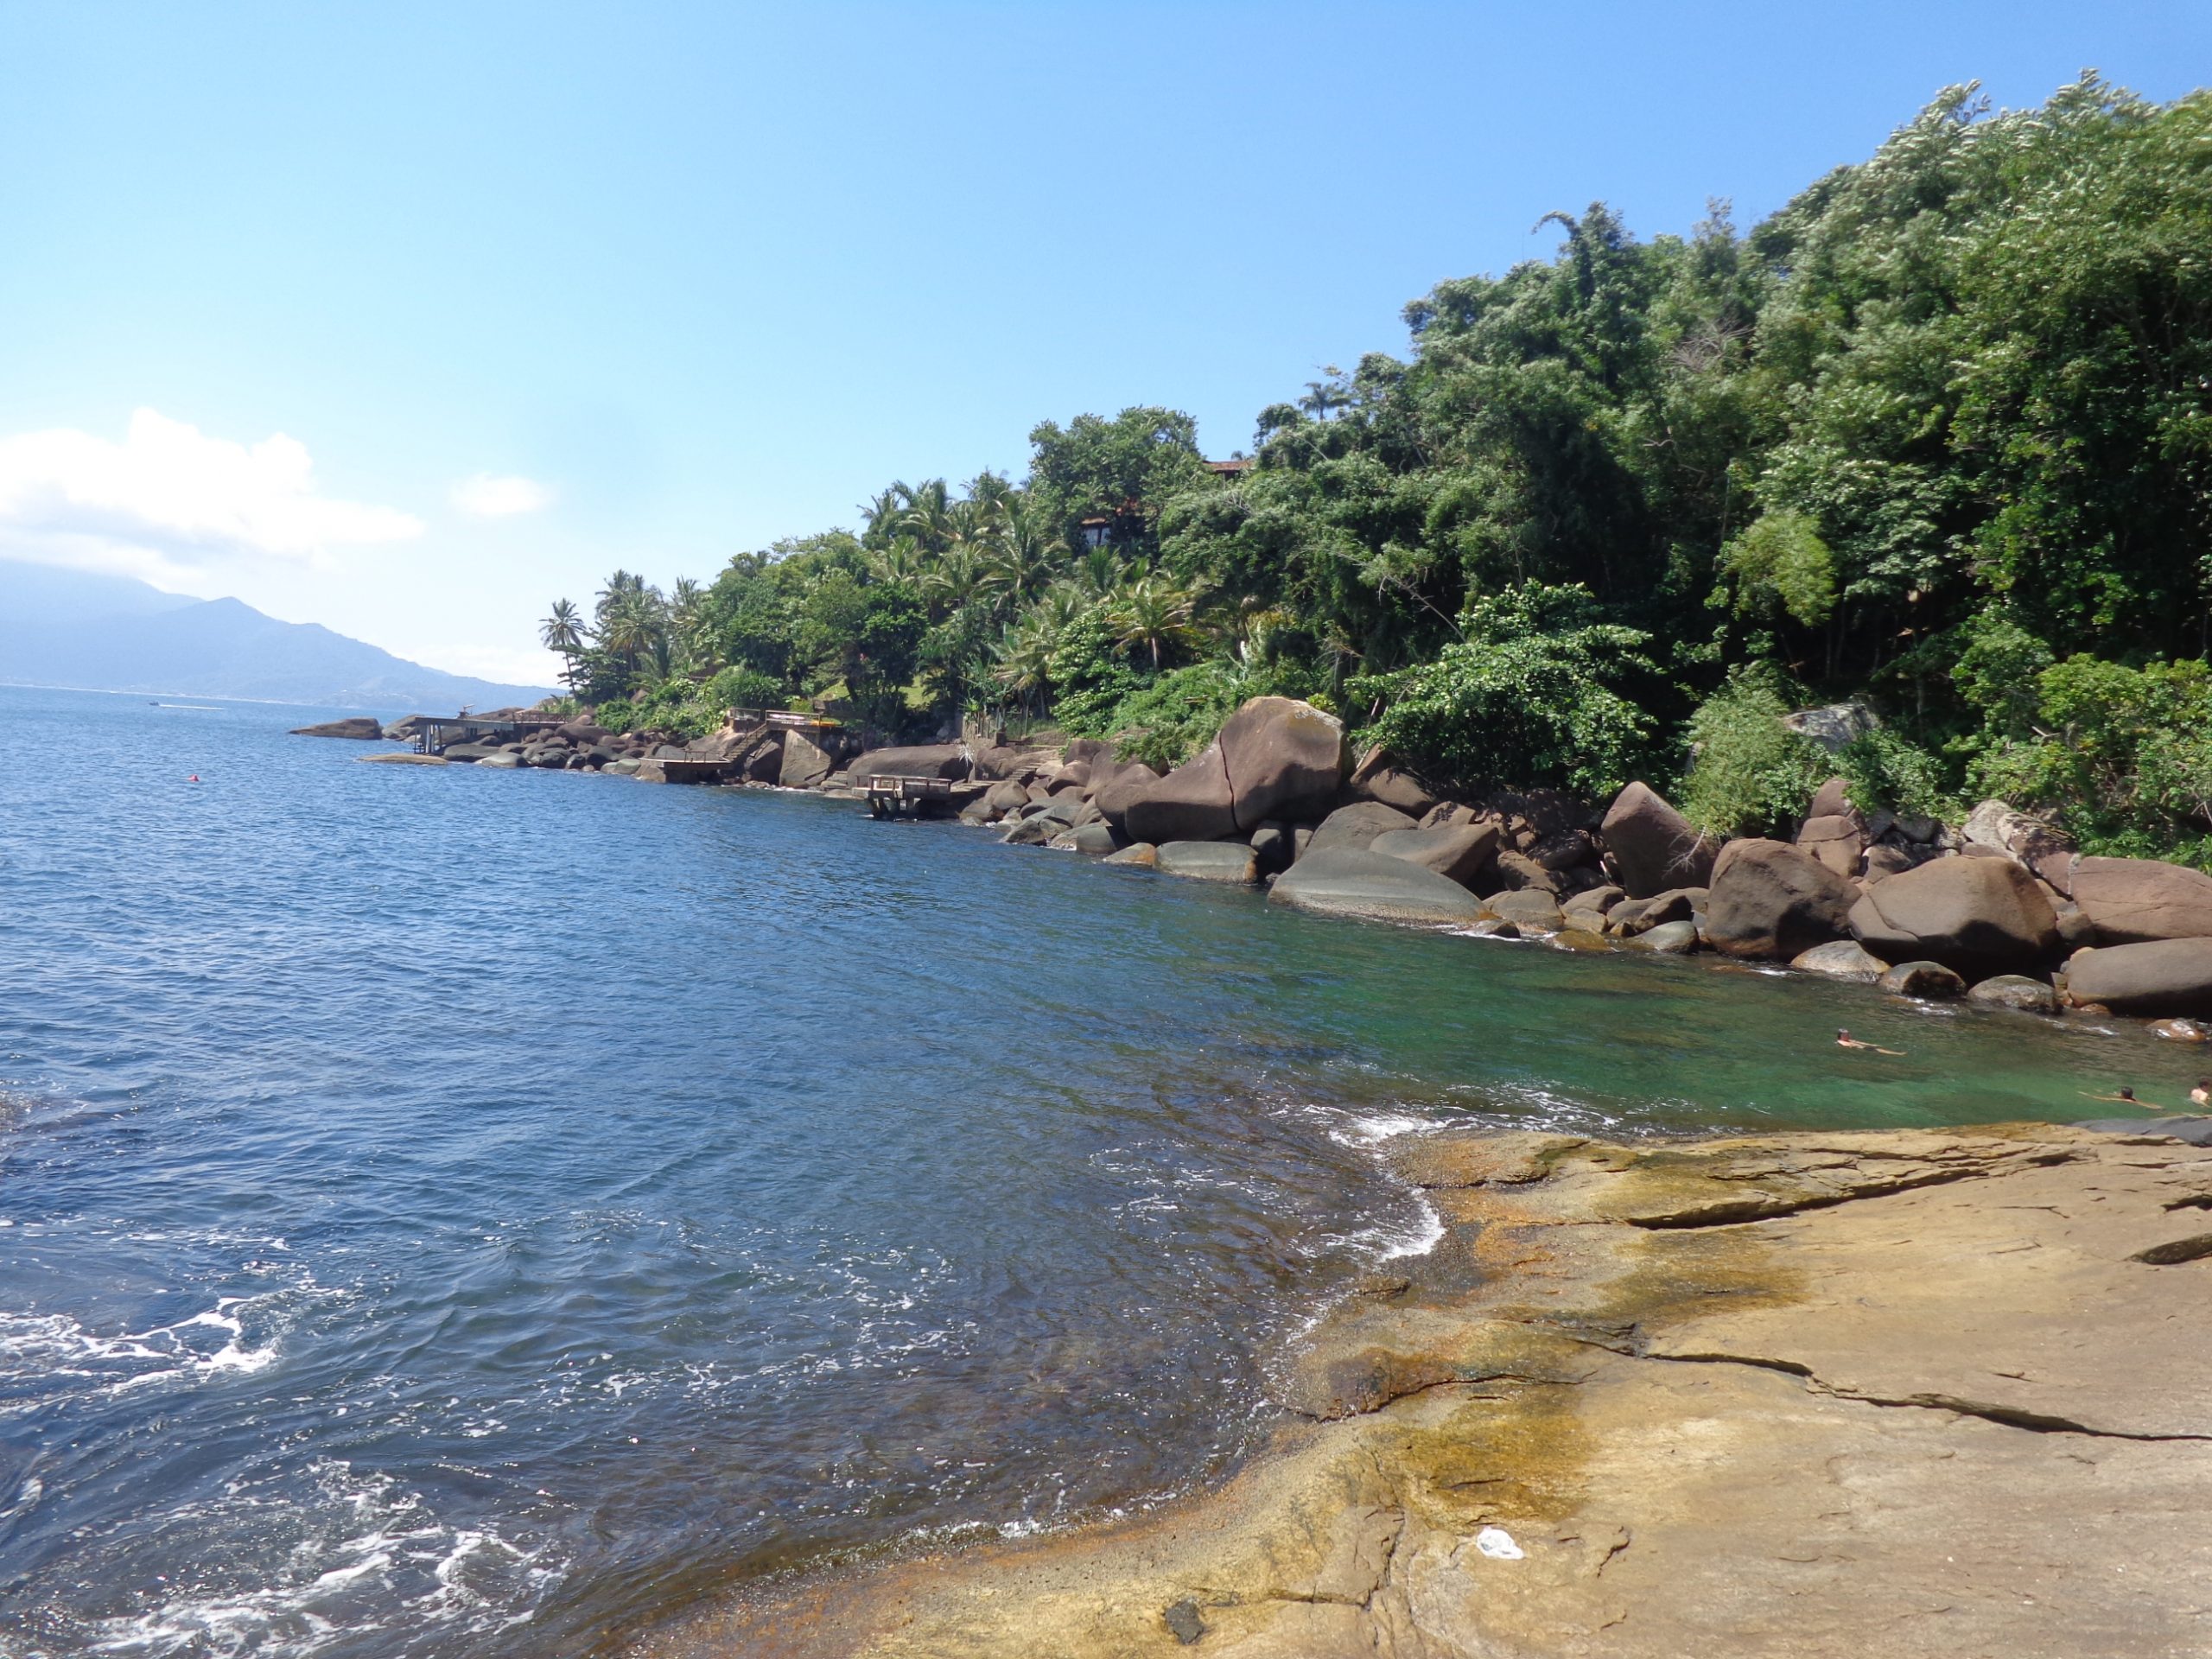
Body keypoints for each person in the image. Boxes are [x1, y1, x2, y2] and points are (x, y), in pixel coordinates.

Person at [1836, 1029, 1904, 1057]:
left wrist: (1871, 1045)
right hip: (1860, 1049)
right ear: (1841, 1036)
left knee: (1878, 1048)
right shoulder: (1841, 1042)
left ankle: (1897, 1053)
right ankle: (1898, 1054)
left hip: (1862, 1047)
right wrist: (1862, 1047)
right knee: (1878, 1050)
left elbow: (1858, 1042)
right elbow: (1849, 1046)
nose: (1848, 1036)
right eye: (1846, 1035)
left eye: (1848, 1034)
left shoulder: (1849, 1040)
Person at [2080, 1085, 2146, 1105]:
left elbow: (2105, 1099)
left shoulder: (2127, 1101)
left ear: (2122, 1095)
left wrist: (2088, 1095)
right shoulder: (2133, 1098)